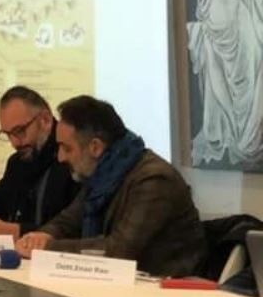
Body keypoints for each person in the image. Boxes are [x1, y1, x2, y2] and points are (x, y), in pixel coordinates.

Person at [15, 96, 207, 277]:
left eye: (67, 148)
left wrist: (47, 248)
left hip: (165, 290)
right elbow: (67, 221)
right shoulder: (101, 175)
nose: (60, 157)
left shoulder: (154, 180)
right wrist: (40, 236)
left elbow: (119, 251)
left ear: (95, 147)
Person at [0, 86, 81, 237]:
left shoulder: (73, 159)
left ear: (45, 120)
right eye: (8, 134)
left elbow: (71, 229)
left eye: (20, 131)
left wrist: (13, 231)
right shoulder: (17, 163)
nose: (15, 143)